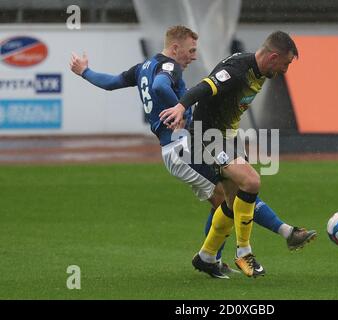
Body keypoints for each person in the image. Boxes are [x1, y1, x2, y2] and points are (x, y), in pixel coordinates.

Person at [70, 26, 316, 279]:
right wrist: (181, 110)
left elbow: (111, 83)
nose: (193, 56)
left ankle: (212, 257)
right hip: (180, 146)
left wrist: (85, 72)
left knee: (230, 195)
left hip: (183, 144)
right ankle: (264, 240)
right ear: (175, 48)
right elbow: (160, 85)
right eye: (191, 50)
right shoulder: (169, 66)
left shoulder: (144, 66)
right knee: (236, 191)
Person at [160, 31, 313, 278]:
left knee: (232, 203)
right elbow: (205, 86)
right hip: (207, 136)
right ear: (273, 57)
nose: (285, 70)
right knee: (251, 181)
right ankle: (244, 253)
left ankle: (206, 257)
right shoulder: (238, 70)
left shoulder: (262, 70)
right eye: (285, 64)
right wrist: (181, 106)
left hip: (228, 137)